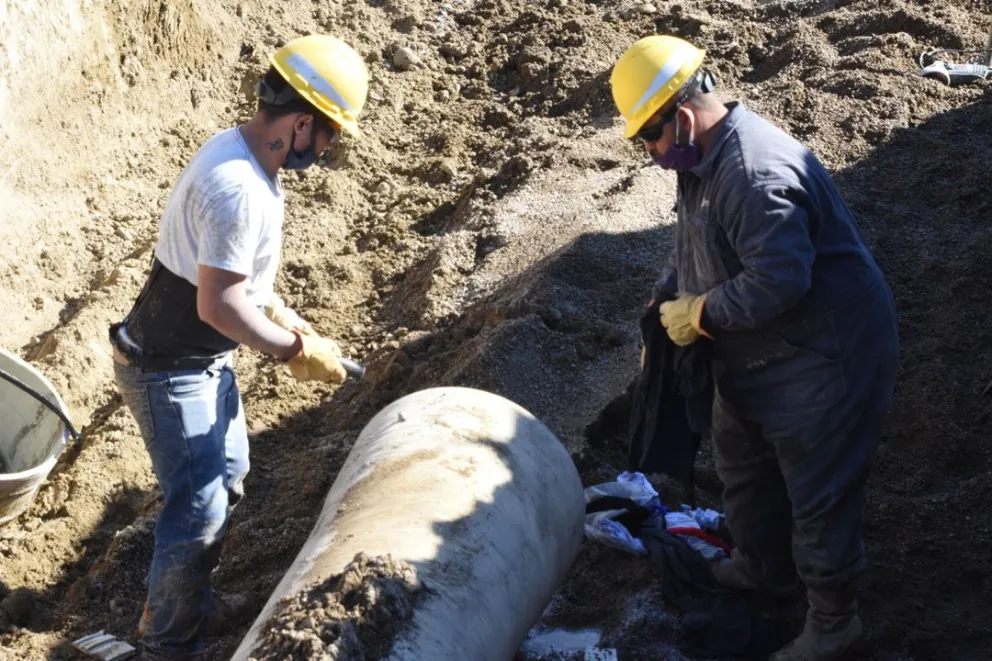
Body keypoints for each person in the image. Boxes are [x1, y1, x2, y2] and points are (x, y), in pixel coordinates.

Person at [610, 35, 899, 661]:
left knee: (817, 490)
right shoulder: (699, 160)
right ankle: (762, 568)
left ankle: (833, 621)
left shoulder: (753, 171)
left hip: (825, 350)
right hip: (753, 346)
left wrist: (704, 312)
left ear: (681, 117)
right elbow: (701, 245)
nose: (650, 152)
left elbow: (780, 279)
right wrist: (669, 306)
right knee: (743, 466)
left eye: (648, 138)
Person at [108, 35, 370, 660]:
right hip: (167, 367)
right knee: (196, 507)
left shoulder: (245, 158)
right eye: (329, 134)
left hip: (200, 359)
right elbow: (218, 305)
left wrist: (287, 318)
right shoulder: (238, 189)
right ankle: (169, 645)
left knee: (226, 476)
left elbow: (243, 286)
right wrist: (291, 352)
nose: (328, 149)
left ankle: (188, 601)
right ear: (302, 122)